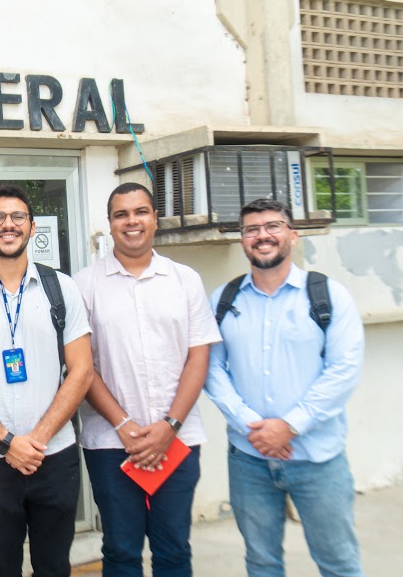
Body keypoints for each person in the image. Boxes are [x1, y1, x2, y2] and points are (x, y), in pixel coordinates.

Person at [0, 184, 94, 577]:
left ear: (32, 226)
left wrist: (35, 440)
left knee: (54, 565)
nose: (8, 225)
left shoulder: (62, 288)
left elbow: (82, 370)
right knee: (0, 566)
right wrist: (6, 441)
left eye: (17, 217)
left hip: (53, 455)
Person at [205, 198, 365, 577]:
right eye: (252, 229)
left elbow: (344, 370)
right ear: (242, 240)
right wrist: (252, 426)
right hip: (249, 457)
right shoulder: (224, 300)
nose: (263, 236)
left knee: (339, 562)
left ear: (292, 235)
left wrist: (289, 425)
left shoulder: (328, 295)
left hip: (318, 459)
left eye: (272, 226)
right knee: (261, 562)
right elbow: (211, 370)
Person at [72, 182, 222, 577]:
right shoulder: (84, 284)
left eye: (140, 212)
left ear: (155, 219)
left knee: (173, 548)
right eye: (121, 214)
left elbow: (198, 355)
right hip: (110, 444)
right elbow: (82, 366)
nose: (132, 221)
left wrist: (169, 426)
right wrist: (123, 425)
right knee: (121, 551)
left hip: (179, 439)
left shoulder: (184, 279)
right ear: (109, 224)